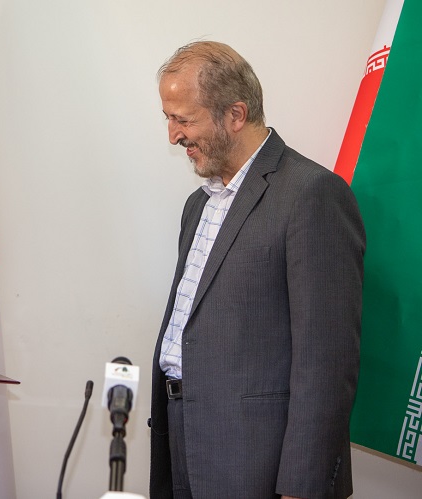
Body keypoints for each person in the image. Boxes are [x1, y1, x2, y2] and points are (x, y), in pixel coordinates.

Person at [149, 41, 365, 499]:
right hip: (182, 440)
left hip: (256, 462)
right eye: (168, 118)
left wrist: (301, 487)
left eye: (183, 120)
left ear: (235, 114)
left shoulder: (312, 195)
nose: (173, 136)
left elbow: (327, 363)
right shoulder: (197, 206)